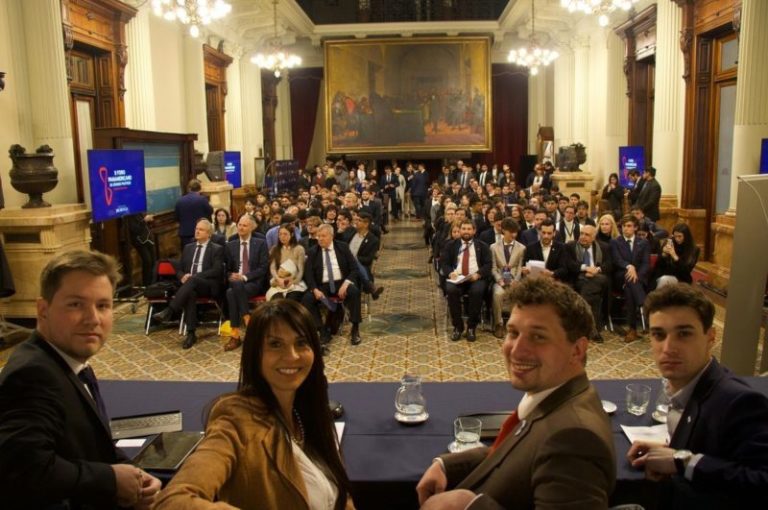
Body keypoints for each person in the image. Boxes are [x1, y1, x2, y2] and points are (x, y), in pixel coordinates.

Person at [416, 277, 615, 509]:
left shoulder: (575, 440)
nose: (517, 350)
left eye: (538, 336)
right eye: (513, 332)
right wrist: (446, 465)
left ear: (577, 350)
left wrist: (469, 505)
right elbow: (513, 456)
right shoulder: (551, 396)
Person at [0, 250, 161, 509]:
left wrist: (135, 475)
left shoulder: (68, 360)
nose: (93, 319)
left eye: (103, 306)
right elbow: (24, 470)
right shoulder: (32, 375)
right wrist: (111, 480)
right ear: (43, 309)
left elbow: (90, 446)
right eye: (75, 304)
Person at [155, 300, 353, 509]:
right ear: (255, 354)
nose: (292, 355)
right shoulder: (236, 420)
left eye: (301, 343)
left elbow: (339, 495)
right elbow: (173, 502)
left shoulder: (308, 411)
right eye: (275, 344)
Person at [627, 284, 768, 509]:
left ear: (710, 336)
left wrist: (683, 461)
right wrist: (673, 449)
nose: (668, 347)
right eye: (658, 334)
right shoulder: (685, 386)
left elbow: (762, 480)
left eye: (684, 334)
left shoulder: (739, 401)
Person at [152, 219, 224, 349]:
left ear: (209, 233)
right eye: (196, 228)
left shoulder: (216, 249)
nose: (197, 231)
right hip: (190, 286)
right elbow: (180, 268)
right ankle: (191, 333)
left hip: (208, 285)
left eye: (201, 229)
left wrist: (194, 277)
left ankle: (170, 310)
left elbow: (216, 270)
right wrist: (182, 276)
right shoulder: (188, 248)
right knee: (190, 293)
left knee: (192, 281)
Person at [302, 224, 363, 346]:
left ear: (332, 236)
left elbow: (354, 269)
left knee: (355, 292)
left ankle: (355, 329)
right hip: (322, 285)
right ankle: (322, 330)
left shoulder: (342, 247)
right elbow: (308, 275)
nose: (320, 239)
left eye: (323, 236)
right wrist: (314, 289)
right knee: (307, 299)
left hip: (341, 282)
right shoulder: (313, 251)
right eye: (318, 236)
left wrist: (346, 283)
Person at [222, 214, 269, 352]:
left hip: (253, 282)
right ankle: (247, 318)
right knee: (233, 288)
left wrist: (244, 277)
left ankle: (235, 336)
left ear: (252, 228)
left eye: (244, 225)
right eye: (239, 225)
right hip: (237, 283)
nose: (241, 228)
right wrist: (231, 275)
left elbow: (263, 268)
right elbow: (226, 269)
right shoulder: (231, 245)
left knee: (231, 293)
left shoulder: (260, 243)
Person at [441, 219, 492, 342]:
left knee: (477, 291)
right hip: (457, 278)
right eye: (464, 229)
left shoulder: (482, 246)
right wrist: (450, 273)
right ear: (460, 230)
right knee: (451, 290)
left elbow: (488, 264)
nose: (466, 231)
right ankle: (458, 327)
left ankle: (471, 327)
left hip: (475, 278)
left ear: (474, 231)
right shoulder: (451, 245)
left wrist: (479, 274)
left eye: (469, 229)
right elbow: (445, 263)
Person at [566, 224, 612, 342]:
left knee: (598, 280)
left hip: (598, 277)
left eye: (587, 235)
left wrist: (596, 270)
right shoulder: (570, 246)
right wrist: (585, 268)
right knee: (594, 296)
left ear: (593, 237)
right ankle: (594, 330)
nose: (583, 237)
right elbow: (569, 264)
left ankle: (580, 317)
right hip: (579, 279)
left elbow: (609, 264)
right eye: (581, 233)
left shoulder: (604, 247)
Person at [611, 215, 650, 343]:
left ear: (635, 228)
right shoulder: (616, 242)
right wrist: (629, 267)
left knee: (630, 287)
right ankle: (644, 306)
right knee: (629, 279)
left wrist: (636, 275)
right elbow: (617, 260)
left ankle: (632, 329)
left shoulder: (643, 243)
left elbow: (645, 263)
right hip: (620, 275)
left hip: (638, 278)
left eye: (628, 226)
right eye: (623, 226)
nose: (625, 229)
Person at [490, 218, 525, 339]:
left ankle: (513, 324)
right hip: (500, 280)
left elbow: (520, 268)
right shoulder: (493, 247)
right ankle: (498, 324)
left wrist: (516, 280)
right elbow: (493, 268)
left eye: (516, 232)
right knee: (497, 294)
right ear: (504, 231)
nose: (514, 235)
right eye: (511, 232)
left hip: (515, 280)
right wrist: (499, 280)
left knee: (518, 294)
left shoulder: (521, 248)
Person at [266, 223, 307, 302]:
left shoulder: (299, 249)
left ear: (291, 234)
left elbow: (301, 271)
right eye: (280, 234)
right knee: (276, 300)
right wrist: (278, 280)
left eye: (285, 234)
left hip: (295, 282)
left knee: (290, 299)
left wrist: (292, 282)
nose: (282, 237)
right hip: (279, 282)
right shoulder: (275, 249)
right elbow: (273, 268)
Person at [654, 223, 700, 288]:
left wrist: (674, 256)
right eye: (675, 236)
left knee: (664, 280)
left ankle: (656, 297)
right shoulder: (669, 242)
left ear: (686, 236)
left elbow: (686, 271)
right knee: (655, 278)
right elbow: (658, 265)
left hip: (681, 278)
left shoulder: (694, 249)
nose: (677, 239)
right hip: (665, 273)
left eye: (679, 236)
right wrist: (663, 255)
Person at [175, 179, 213, 250]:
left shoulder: (180, 201)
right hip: (201, 233)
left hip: (185, 233)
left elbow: (177, 217)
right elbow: (210, 211)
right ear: (200, 188)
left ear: (189, 188)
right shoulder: (202, 200)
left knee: (187, 254)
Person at [125, 212, 156, 287]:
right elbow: (134, 229)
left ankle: (153, 282)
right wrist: (145, 220)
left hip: (148, 237)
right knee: (147, 261)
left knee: (153, 260)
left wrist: (149, 220)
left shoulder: (141, 211)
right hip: (139, 241)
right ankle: (146, 285)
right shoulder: (129, 214)